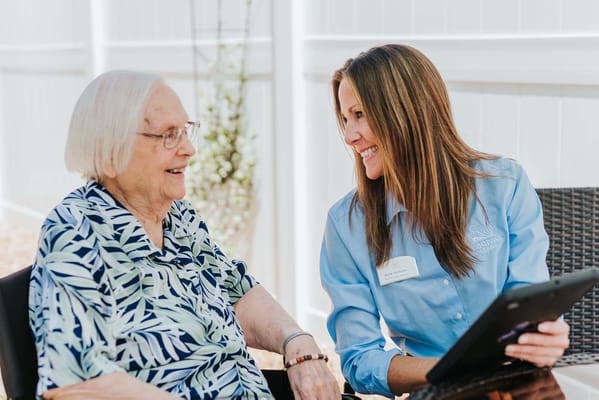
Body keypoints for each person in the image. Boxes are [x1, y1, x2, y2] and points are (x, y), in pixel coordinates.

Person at [29, 70, 340, 400]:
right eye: (168, 135)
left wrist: (297, 342)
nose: (189, 149)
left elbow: (237, 292)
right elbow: (76, 383)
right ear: (110, 153)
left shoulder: (177, 216)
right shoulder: (76, 232)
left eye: (186, 131)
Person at [319, 44, 570, 397]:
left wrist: (545, 336)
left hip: (517, 389)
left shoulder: (505, 186)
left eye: (359, 114)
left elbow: (527, 311)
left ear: (408, 111)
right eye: (345, 119)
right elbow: (361, 359)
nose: (348, 136)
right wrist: (454, 368)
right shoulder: (346, 227)